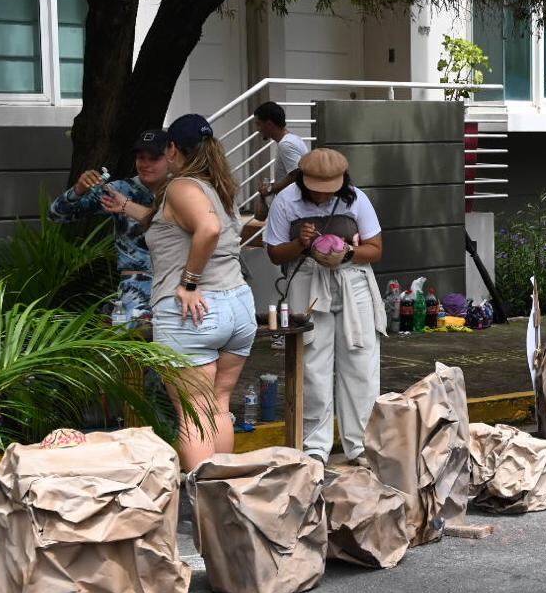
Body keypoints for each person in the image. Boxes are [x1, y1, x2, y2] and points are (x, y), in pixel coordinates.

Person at [103, 113, 256, 471]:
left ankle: (202, 500)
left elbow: (208, 229)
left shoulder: (181, 186)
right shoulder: (219, 186)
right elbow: (177, 225)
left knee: (193, 413)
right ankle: (219, 496)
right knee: (218, 405)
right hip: (237, 305)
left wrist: (188, 282)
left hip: (196, 311)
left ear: (173, 149)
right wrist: (127, 207)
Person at [263, 148, 386, 465]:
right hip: (306, 280)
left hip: (351, 280)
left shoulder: (356, 198)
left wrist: (347, 254)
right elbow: (275, 253)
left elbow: (375, 248)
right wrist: (300, 244)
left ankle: (360, 444)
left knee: (360, 360)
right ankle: (315, 444)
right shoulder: (286, 201)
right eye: (316, 189)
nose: (321, 196)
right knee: (312, 362)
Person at [46, 129, 170, 325]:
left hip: (176, 284)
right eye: (140, 158)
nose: (145, 164)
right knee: (134, 348)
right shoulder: (120, 189)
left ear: (171, 157)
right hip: (136, 289)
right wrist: (78, 190)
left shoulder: (184, 190)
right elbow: (57, 214)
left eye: (153, 158)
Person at [253, 101, 309, 196]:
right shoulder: (293, 139)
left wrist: (270, 189)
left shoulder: (286, 144)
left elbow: (296, 175)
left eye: (259, 124)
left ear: (269, 124)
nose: (258, 129)